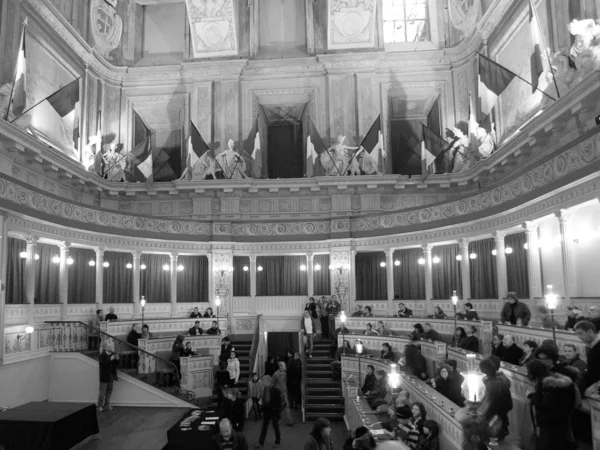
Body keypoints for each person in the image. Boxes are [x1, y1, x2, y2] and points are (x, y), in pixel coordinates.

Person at [526, 359, 578, 450]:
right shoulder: (562, 383)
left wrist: (531, 396)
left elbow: (544, 405)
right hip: (562, 423)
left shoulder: (547, 386)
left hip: (549, 425)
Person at [478, 358, 513, 440]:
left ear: (483, 373)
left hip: (491, 425)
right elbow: (509, 405)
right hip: (500, 422)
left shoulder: (490, 386)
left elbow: (486, 408)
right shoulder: (501, 383)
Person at [255, 376, 281, 448]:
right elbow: (264, 401)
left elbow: (279, 403)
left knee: (276, 427)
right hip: (266, 411)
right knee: (264, 427)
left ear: (268, 382)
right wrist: (261, 409)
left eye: (264, 381)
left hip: (274, 412)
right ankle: (261, 443)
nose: (262, 383)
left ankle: (277, 442)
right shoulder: (265, 389)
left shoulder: (276, 390)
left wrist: (278, 413)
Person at [574, 320, 600, 389]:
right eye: (577, 334)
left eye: (580, 333)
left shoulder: (597, 347)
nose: (578, 337)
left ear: (590, 332)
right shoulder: (590, 346)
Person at [97, 344, 119, 412]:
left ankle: (107, 404)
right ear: (105, 348)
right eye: (109, 347)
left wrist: (117, 360)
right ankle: (99, 406)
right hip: (104, 376)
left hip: (111, 375)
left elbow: (115, 364)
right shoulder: (102, 355)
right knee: (102, 392)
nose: (110, 348)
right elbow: (102, 364)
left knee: (109, 390)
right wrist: (110, 359)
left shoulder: (112, 354)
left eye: (111, 347)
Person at [273, 361, 294, 426]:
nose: (285, 366)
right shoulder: (275, 374)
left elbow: (285, 382)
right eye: (284, 365)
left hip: (284, 392)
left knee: (286, 405)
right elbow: (272, 383)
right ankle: (276, 419)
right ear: (280, 367)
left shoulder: (285, 373)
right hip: (278, 393)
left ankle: (289, 421)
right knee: (279, 406)